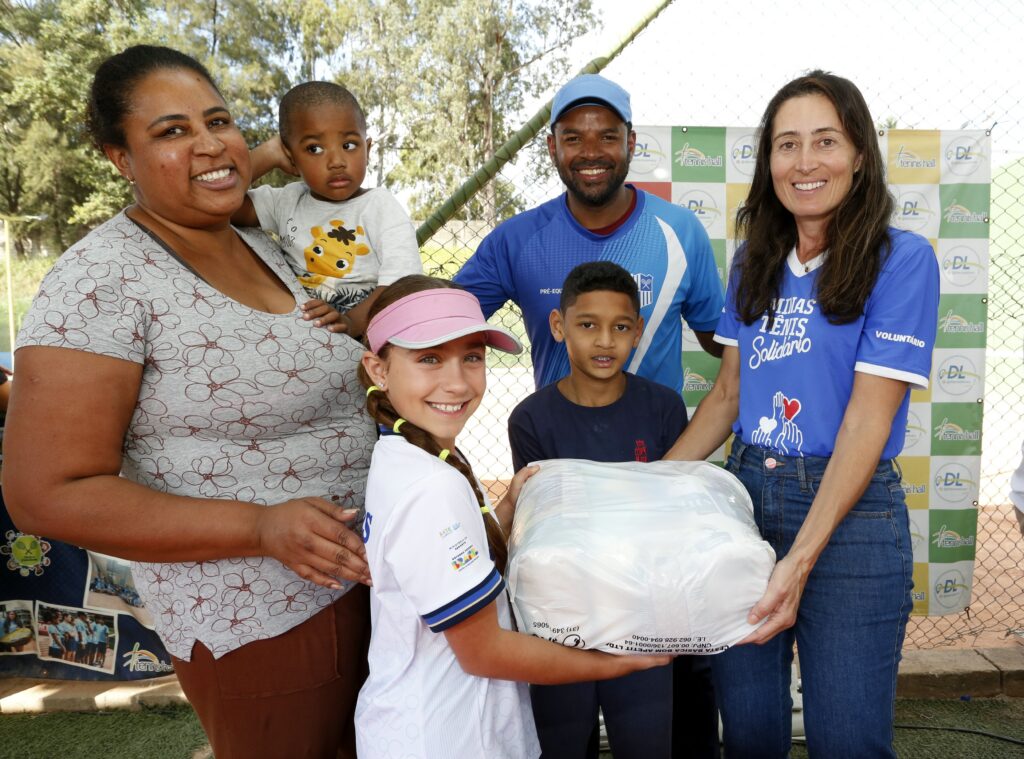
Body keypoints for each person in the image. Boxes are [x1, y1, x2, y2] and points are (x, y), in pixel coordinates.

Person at [3, 45, 377, 758]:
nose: (210, 144)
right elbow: (45, 493)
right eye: (172, 131)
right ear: (120, 158)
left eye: (219, 120)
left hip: (362, 580)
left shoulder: (262, 243)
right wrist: (261, 527)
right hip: (258, 611)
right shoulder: (102, 279)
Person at [665, 70, 940, 758]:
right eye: (787, 144)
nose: (805, 161)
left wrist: (798, 561)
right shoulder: (752, 260)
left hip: (850, 515)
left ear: (860, 155)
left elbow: (865, 422)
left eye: (825, 140)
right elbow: (727, 396)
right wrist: (646, 488)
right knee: (750, 734)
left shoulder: (902, 260)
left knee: (846, 741)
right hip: (746, 501)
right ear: (769, 162)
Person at [353, 275, 670, 758]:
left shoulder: (409, 454)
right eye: (429, 358)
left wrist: (503, 509)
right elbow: (485, 652)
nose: (457, 382)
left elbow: (447, 554)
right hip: (449, 737)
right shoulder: (431, 486)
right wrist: (617, 662)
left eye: (472, 357)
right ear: (378, 368)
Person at [508, 261, 720, 759]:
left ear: (638, 331)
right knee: (562, 740)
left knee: (647, 738)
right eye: (588, 325)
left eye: (620, 327)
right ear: (558, 326)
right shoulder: (531, 418)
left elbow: (674, 513)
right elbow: (543, 527)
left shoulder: (663, 407)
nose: (605, 341)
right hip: (564, 614)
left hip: (647, 610)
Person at [454, 73, 725, 395]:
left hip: (660, 430)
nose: (591, 152)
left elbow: (722, 343)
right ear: (553, 147)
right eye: (573, 139)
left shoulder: (680, 230)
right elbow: (443, 326)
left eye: (607, 137)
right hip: (556, 429)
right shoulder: (515, 240)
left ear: (630, 144)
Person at [231, 81, 422, 338]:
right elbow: (223, 204)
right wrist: (268, 154)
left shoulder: (379, 206)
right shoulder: (286, 201)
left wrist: (352, 323)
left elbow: (403, 281)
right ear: (291, 158)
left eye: (349, 145)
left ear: (368, 149)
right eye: (315, 149)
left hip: (369, 333)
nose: (336, 162)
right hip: (301, 332)